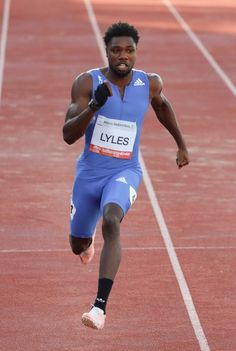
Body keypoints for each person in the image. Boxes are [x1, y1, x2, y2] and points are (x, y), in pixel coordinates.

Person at [63, 22, 189, 330]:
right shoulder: (86, 82)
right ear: (106, 51)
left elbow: (163, 107)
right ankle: (86, 240)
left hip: (125, 171)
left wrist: (181, 145)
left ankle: (99, 308)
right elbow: (67, 135)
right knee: (77, 245)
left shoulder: (149, 83)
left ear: (136, 52)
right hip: (90, 174)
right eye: (116, 50)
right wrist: (94, 105)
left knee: (111, 220)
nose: (123, 56)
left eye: (129, 50)